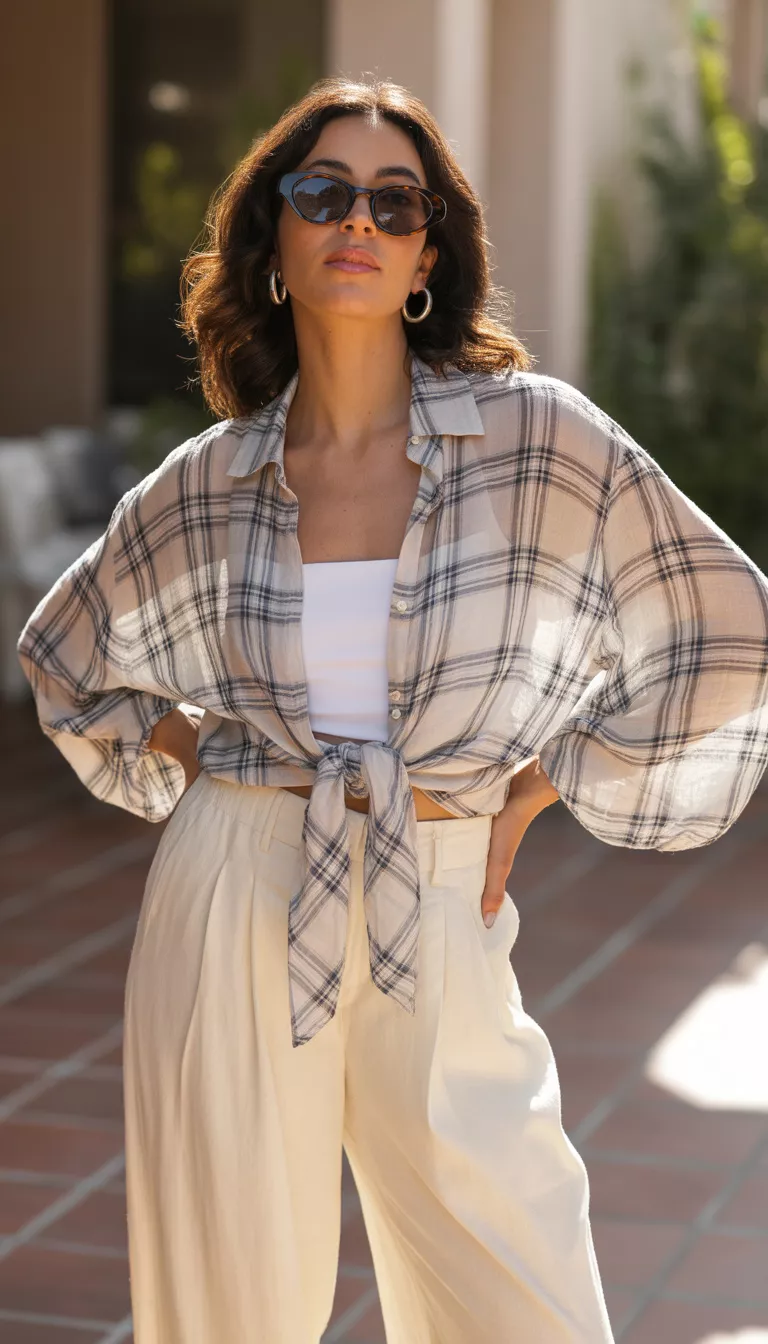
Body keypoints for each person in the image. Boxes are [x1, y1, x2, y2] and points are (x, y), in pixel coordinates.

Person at [16, 76, 768, 1344]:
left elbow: (728, 623)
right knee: (226, 1310)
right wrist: (193, 758)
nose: (356, 218)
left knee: (517, 1283)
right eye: (322, 193)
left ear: (429, 251)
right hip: (237, 883)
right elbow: (67, 660)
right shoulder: (206, 483)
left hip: (438, 881)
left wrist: (549, 781)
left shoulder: (537, 444)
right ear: (275, 247)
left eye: (393, 199)